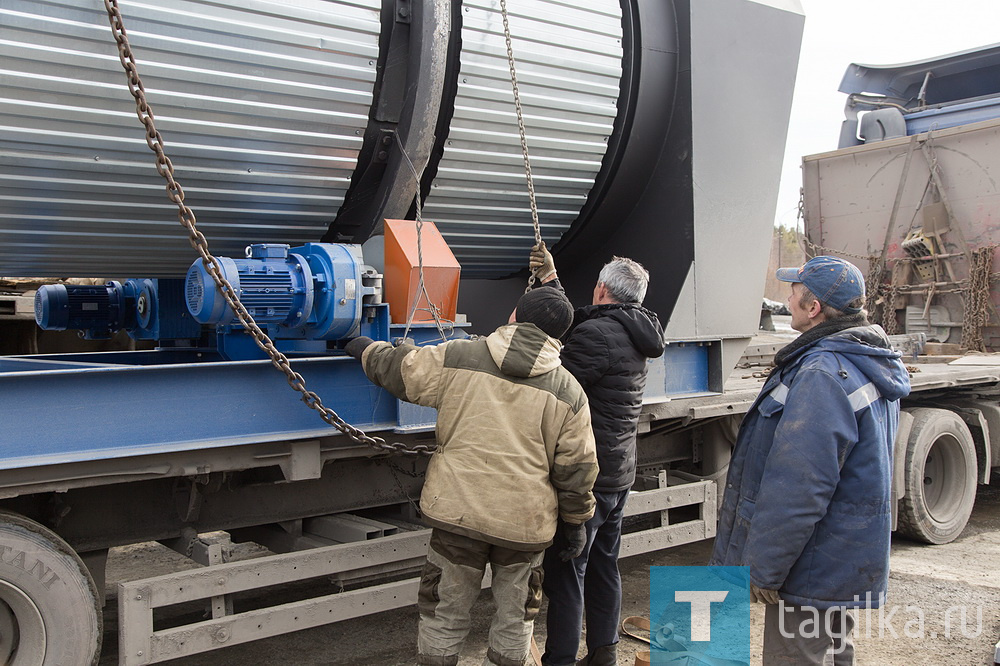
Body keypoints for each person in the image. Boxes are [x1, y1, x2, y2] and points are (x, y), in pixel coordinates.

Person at [345, 286, 598, 666]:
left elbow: (401, 371)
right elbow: (577, 469)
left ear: (515, 313)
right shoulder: (570, 392)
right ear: (559, 335)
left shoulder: (460, 356)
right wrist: (576, 522)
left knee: (443, 614)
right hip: (524, 526)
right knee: (516, 621)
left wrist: (363, 346)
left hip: (458, 515)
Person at [709, 255, 911, 664]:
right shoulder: (866, 359)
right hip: (839, 558)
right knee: (834, 652)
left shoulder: (821, 372)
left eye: (794, 293)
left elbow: (799, 487)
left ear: (813, 307)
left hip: (812, 565)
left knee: (798, 655)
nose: (787, 299)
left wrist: (766, 569)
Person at [528, 243, 665, 666]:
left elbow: (554, 383)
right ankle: (604, 651)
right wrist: (552, 283)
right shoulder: (636, 328)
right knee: (604, 562)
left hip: (589, 474)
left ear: (602, 289)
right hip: (618, 469)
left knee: (567, 572)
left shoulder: (597, 336)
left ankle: (561, 659)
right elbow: (586, 321)